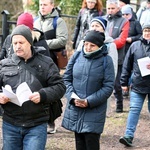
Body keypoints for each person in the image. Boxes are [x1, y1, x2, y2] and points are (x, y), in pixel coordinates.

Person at [0, 25, 66, 150]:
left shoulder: (46, 63)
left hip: (36, 124)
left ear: (29, 42)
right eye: (15, 43)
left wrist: (43, 95)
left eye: (21, 42)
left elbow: (60, 86)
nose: (18, 46)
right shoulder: (4, 65)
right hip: (11, 123)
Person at [62, 30, 115, 150]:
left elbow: (108, 87)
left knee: (91, 142)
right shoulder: (77, 55)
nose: (88, 47)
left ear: (100, 46)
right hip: (75, 107)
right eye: (86, 44)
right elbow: (66, 78)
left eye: (92, 45)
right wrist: (72, 97)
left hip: (94, 109)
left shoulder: (106, 61)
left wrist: (89, 101)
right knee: (79, 142)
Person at [119, 24, 150, 147]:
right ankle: (128, 136)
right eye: (146, 31)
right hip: (138, 84)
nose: (147, 33)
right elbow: (127, 65)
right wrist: (124, 82)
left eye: (149, 31)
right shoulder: (135, 45)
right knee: (134, 110)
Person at [105, 0, 129, 113]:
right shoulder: (104, 20)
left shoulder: (124, 21)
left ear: (118, 8)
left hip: (117, 56)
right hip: (103, 54)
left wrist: (108, 44)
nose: (110, 10)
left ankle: (119, 103)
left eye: (112, 8)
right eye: (108, 8)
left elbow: (122, 40)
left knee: (117, 83)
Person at [34, 0, 68, 66]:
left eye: (45, 5)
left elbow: (62, 40)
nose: (42, 7)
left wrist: (43, 44)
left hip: (52, 61)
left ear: (52, 5)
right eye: (40, 5)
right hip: (36, 60)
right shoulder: (35, 21)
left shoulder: (59, 21)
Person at [121, 5, 142, 98]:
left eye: (127, 14)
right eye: (123, 14)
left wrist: (132, 39)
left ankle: (128, 87)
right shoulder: (120, 22)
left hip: (131, 48)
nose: (125, 16)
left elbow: (141, 35)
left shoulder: (135, 23)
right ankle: (123, 87)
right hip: (122, 49)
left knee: (130, 68)